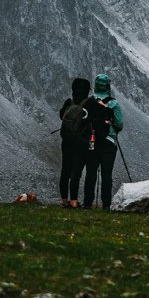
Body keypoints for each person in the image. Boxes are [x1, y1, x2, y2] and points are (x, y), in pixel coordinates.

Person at [82, 73, 124, 209]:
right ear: (108, 86)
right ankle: (106, 204)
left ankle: (87, 203)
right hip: (109, 142)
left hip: (92, 141)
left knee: (90, 173)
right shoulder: (113, 103)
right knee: (107, 174)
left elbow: (84, 120)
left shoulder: (90, 101)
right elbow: (119, 124)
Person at [58, 77, 91, 208]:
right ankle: (74, 202)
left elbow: (61, 115)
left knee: (65, 170)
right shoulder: (89, 103)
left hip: (66, 141)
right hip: (82, 142)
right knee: (76, 172)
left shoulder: (68, 102)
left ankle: (64, 201)